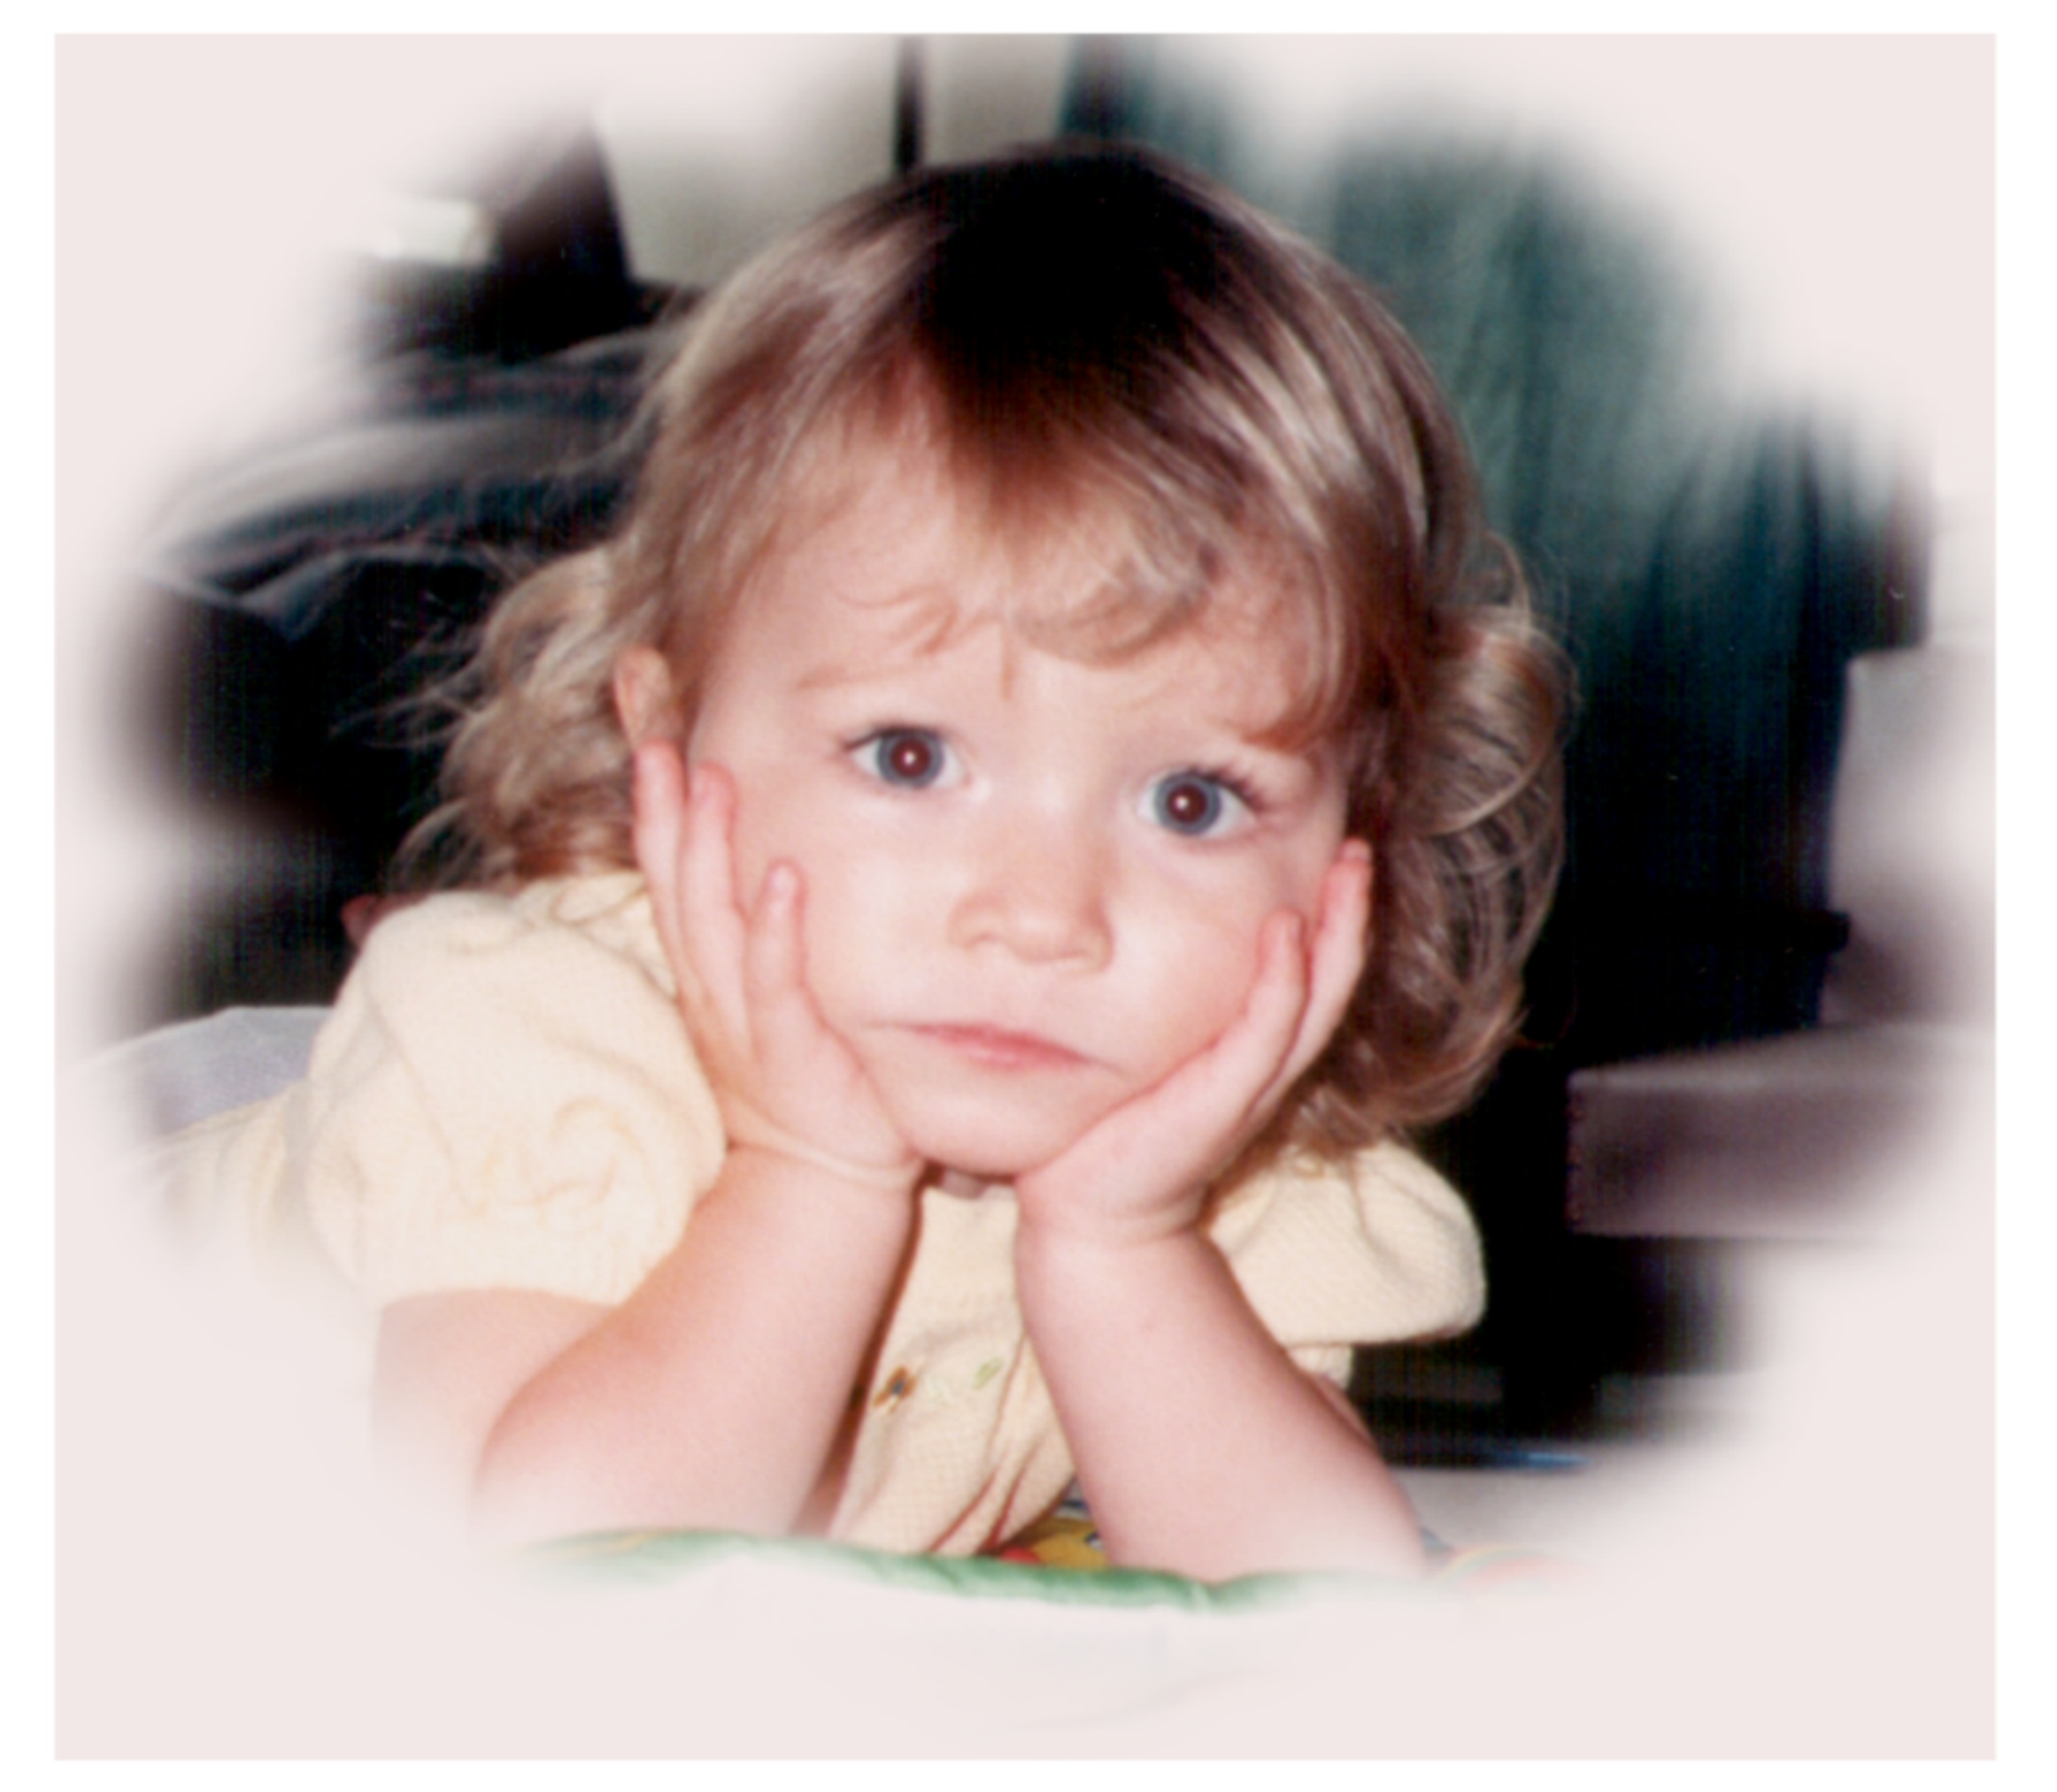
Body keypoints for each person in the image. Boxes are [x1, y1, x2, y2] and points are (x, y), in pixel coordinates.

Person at [168, 144, 1562, 1582]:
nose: (1040, 916)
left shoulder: (1218, 1160)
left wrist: (1122, 1243)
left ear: (1353, 851)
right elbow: (537, 1567)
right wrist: (811, 1175)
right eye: (909, 757)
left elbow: (1324, 1602)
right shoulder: (537, 1058)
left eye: (1192, 801)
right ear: (666, 741)